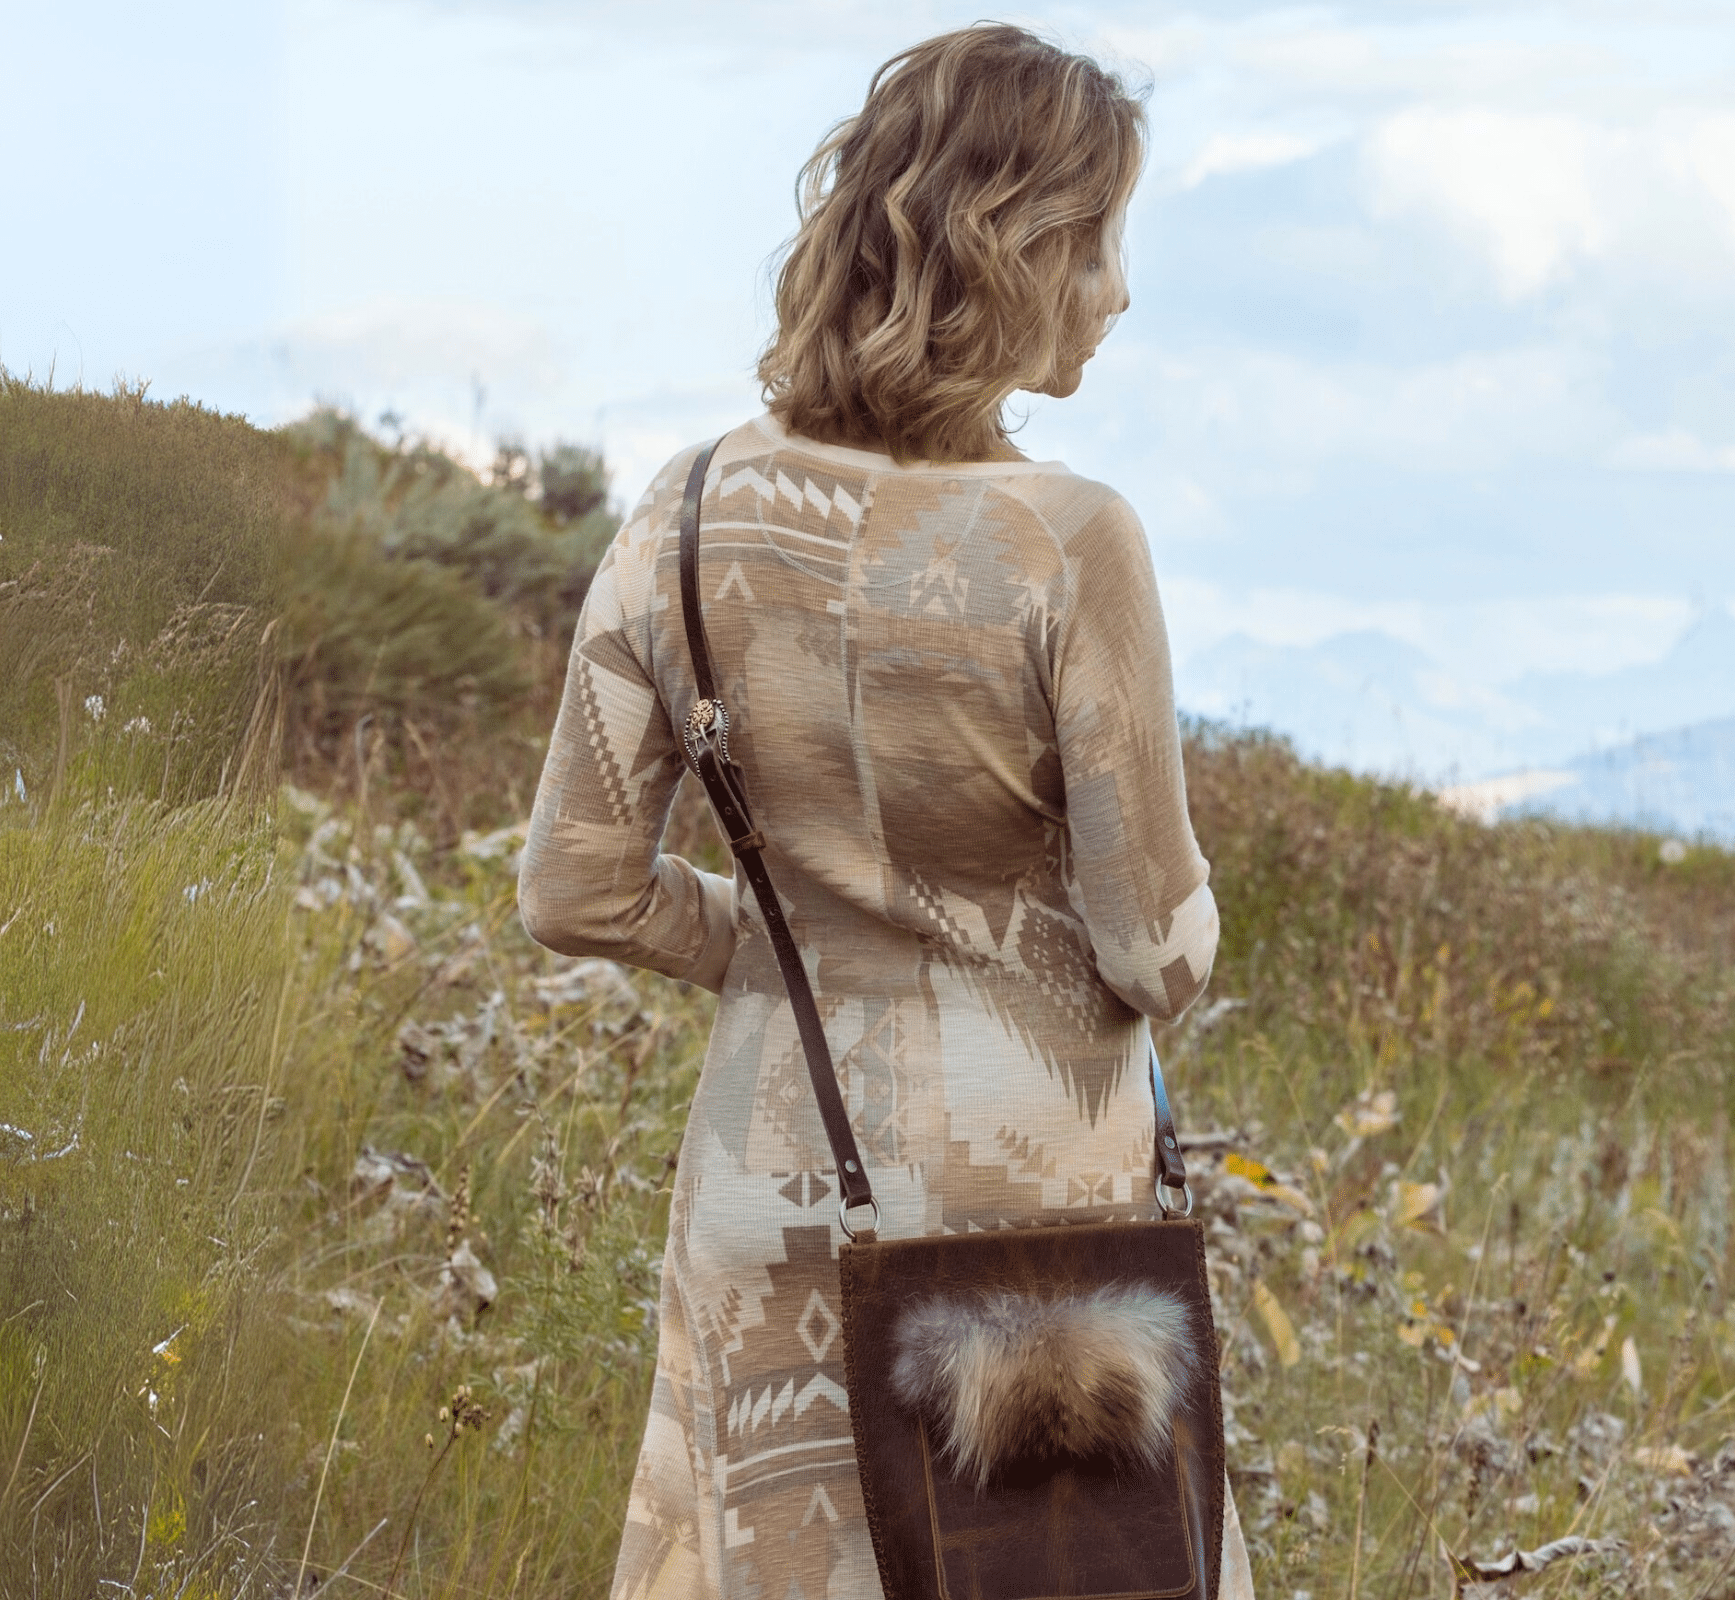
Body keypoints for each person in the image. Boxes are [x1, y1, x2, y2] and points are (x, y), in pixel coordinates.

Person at [515, 24, 1248, 1598]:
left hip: (777, 1173)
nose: (1119, 291)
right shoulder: (1069, 540)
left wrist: (781, 947)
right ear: (1015, 246)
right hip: (1030, 1238)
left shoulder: (681, 514)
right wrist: (1174, 920)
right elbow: (1152, 950)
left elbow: (575, 888)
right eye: (1099, 243)